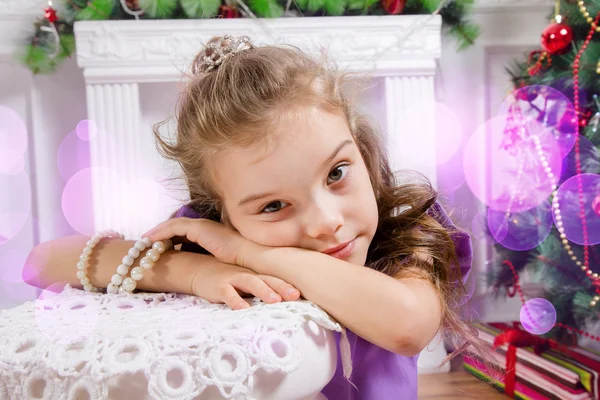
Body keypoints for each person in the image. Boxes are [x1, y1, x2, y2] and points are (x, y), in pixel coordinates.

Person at [26, 35, 488, 399]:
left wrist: (250, 252)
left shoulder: (405, 232)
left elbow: (406, 325)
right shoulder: (212, 243)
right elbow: (42, 262)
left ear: (361, 150)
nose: (325, 222)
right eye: (272, 206)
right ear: (221, 213)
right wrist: (196, 270)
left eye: (337, 173)